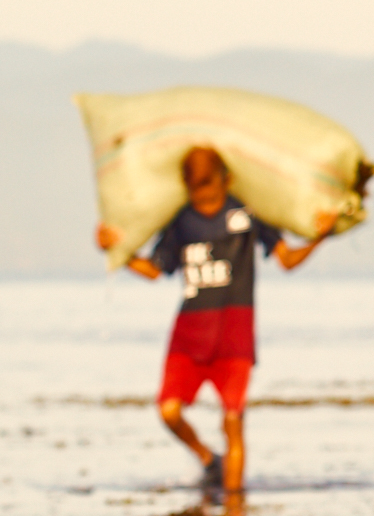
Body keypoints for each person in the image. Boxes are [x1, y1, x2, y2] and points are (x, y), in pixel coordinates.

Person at [97, 146, 329, 497]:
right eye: (195, 187)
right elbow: (156, 269)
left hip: (235, 331)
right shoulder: (182, 221)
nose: (202, 195)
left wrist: (320, 236)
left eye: (208, 185)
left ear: (226, 180)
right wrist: (116, 251)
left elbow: (287, 259)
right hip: (189, 330)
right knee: (169, 411)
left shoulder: (247, 214)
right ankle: (208, 460)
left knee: (233, 420)